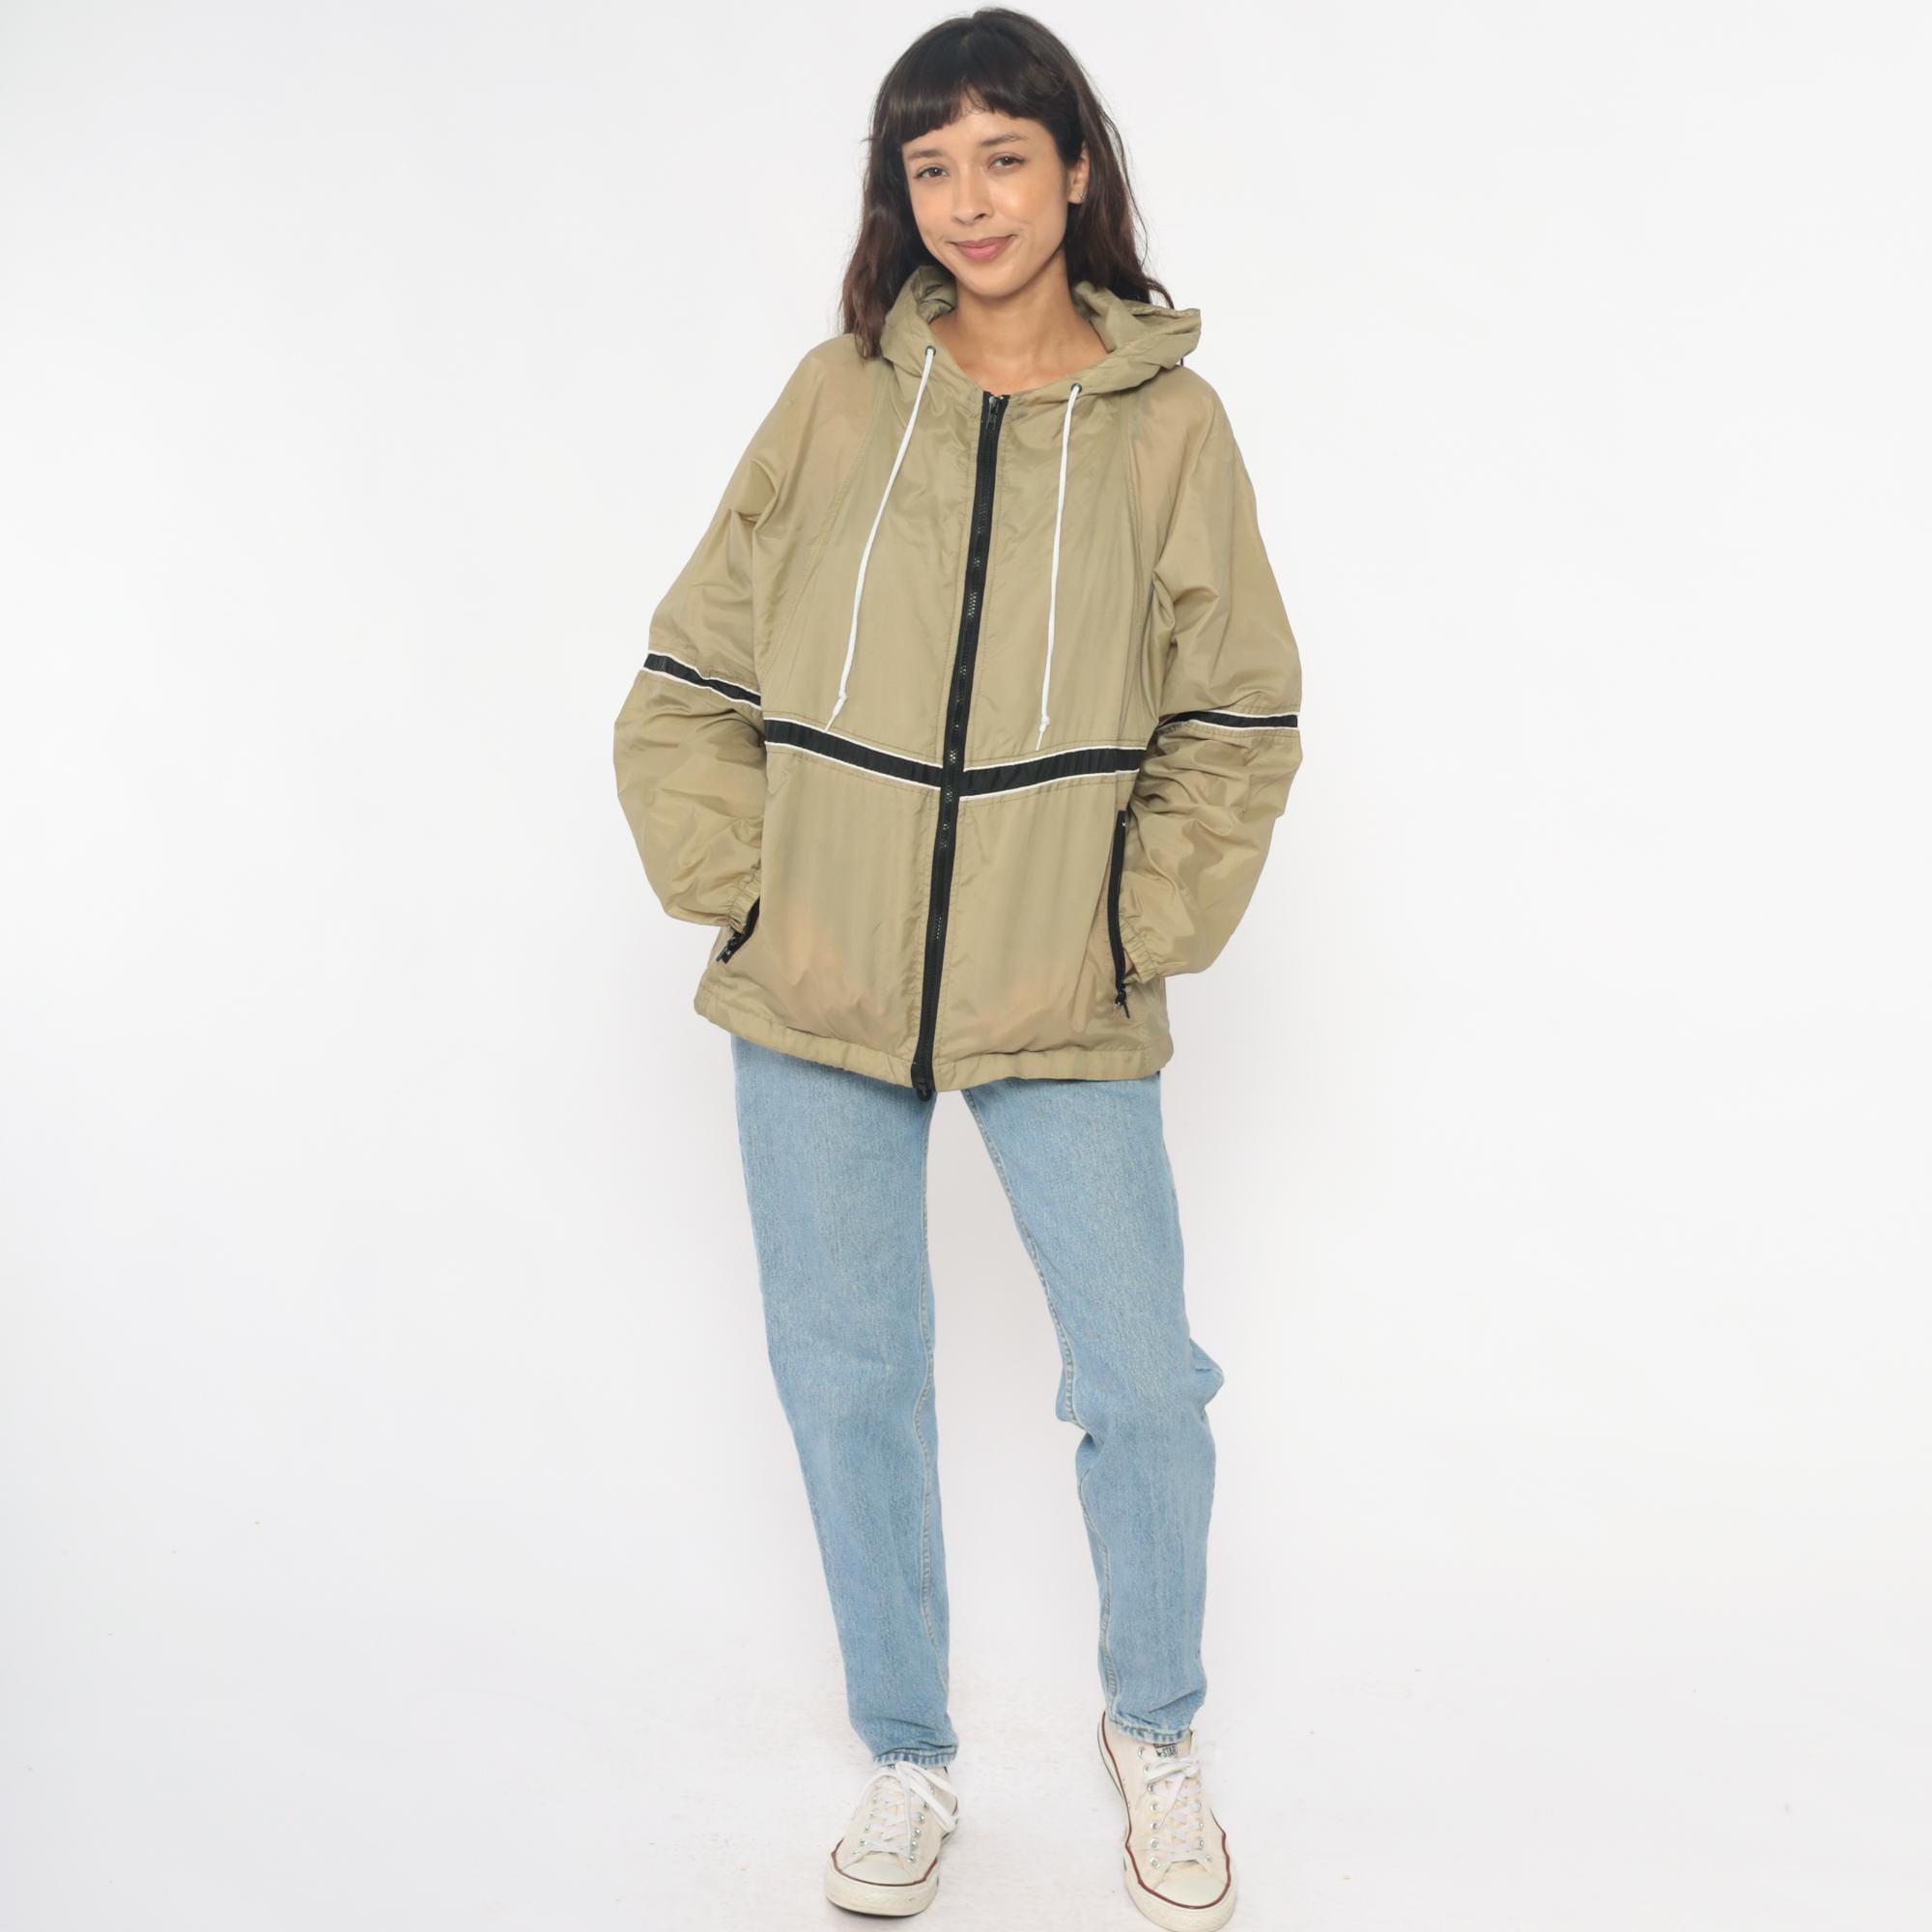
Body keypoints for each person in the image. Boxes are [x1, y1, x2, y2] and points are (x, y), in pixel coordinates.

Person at [611, 11, 1302, 1925]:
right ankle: (909, 1755)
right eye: (930, 167)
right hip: (816, 977)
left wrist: (1134, 930)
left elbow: (1237, 712)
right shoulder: (837, 395)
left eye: (1004, 156)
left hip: (1056, 983)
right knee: (848, 1375)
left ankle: (1153, 1725)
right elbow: (688, 671)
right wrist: (751, 893)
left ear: (1077, 168)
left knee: (1142, 1382)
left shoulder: (1169, 426)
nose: (969, 201)